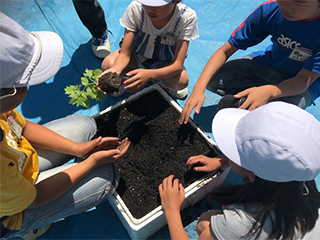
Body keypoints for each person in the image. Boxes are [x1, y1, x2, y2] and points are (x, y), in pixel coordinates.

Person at [0, 13, 130, 239]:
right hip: (17, 207)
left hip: (17, 168)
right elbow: (36, 197)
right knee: (105, 176)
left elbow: (23, 128)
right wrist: (91, 162)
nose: (28, 85)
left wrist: (79, 150)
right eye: (23, 80)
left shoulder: (2, 107)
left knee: (84, 125)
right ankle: (28, 227)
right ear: (6, 92)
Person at [159, 101, 320, 239]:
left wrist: (172, 210)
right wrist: (221, 161)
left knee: (204, 226)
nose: (229, 151)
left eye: (235, 151)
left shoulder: (245, 224)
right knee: (205, 222)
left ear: (252, 175)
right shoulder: (299, 179)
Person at [179, 0, 320, 124]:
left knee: (283, 119)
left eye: (299, 1)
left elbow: (302, 81)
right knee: (214, 79)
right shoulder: (271, 9)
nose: (287, 5)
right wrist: (199, 88)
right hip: (268, 64)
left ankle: (256, 106)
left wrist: (270, 91)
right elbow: (225, 50)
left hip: (303, 84)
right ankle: (254, 102)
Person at [98, 0, 199, 99]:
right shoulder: (136, 8)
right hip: (137, 56)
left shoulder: (186, 18)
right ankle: (128, 78)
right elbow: (125, 53)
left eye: (157, 5)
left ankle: (160, 80)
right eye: (146, 2)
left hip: (164, 62)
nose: (150, 9)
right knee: (108, 64)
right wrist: (115, 69)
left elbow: (177, 65)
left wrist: (151, 75)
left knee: (182, 81)